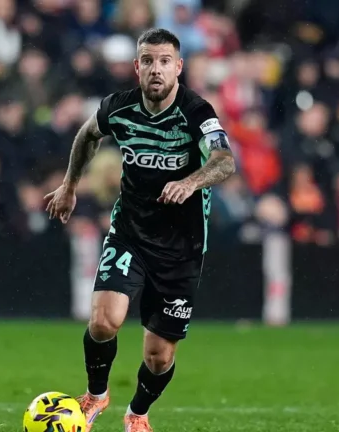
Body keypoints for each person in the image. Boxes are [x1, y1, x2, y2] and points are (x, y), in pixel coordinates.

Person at [44, 28, 236, 432]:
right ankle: (96, 396)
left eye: (165, 61)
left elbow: (224, 161)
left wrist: (190, 182)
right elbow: (86, 135)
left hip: (181, 248)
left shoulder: (197, 111)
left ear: (179, 67)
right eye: (148, 60)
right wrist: (70, 185)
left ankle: (138, 413)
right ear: (136, 66)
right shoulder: (119, 107)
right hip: (129, 231)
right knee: (103, 321)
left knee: (159, 357)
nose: (156, 69)